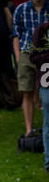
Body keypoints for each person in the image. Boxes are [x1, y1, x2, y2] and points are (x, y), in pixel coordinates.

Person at [13, 0, 49, 136]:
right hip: (27, 54)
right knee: (26, 91)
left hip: (46, 56)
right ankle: (29, 129)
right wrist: (18, 57)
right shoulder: (21, 9)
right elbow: (16, 35)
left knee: (46, 93)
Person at [30, 21, 49, 173]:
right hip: (46, 82)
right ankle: (48, 162)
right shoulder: (41, 31)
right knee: (48, 124)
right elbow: (33, 57)